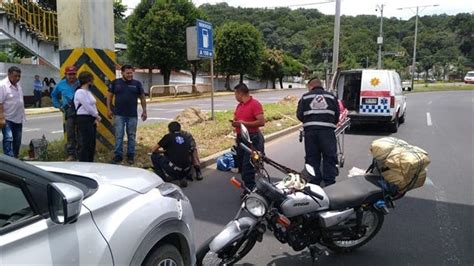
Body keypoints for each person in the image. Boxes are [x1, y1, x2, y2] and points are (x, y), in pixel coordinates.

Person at [296, 77, 340, 187]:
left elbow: (300, 115)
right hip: (327, 132)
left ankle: (314, 182)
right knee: (329, 156)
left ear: (310, 86)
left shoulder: (305, 97)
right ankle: (330, 183)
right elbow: (337, 115)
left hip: (311, 133)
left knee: (312, 157)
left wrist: (310, 121)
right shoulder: (331, 96)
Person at [107, 65, 147, 164]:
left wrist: (144, 110)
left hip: (132, 115)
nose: (130, 75)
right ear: (122, 73)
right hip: (119, 115)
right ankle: (118, 155)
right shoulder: (115, 83)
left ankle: (130, 155)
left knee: (131, 135)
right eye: (127, 73)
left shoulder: (137, 84)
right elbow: (109, 97)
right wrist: (108, 109)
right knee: (119, 135)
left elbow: (142, 98)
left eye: (131, 73)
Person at [231, 83, 265, 191]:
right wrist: (236, 124)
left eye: (235, 94)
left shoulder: (255, 104)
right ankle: (249, 187)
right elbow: (238, 120)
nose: (235, 97)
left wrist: (243, 124)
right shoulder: (240, 105)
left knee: (248, 167)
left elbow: (261, 121)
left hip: (252, 139)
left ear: (240, 93)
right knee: (241, 166)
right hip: (241, 138)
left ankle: (251, 191)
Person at [150, 121, 193, 188]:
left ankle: (163, 180)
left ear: (169, 130)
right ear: (180, 129)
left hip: (174, 169)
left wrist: (163, 151)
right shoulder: (186, 137)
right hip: (187, 169)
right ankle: (181, 177)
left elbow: (153, 150)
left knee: (154, 156)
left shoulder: (168, 137)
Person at [51, 66, 79, 161]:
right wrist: (58, 105)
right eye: (69, 74)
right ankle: (71, 154)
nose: (71, 76)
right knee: (70, 133)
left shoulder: (80, 83)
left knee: (81, 133)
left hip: (81, 111)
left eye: (73, 74)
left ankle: (81, 153)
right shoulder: (61, 84)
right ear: (65, 75)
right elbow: (53, 95)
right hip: (69, 111)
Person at [74, 71, 101, 162]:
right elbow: (87, 106)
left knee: (91, 142)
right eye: (91, 79)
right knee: (86, 142)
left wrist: (94, 117)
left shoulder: (88, 92)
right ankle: (84, 161)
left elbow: (93, 105)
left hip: (90, 118)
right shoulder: (80, 92)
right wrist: (96, 115)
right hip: (83, 118)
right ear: (88, 80)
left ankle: (90, 161)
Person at [0, 66, 25, 158]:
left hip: (18, 118)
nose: (17, 78)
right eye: (15, 76)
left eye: (19, 76)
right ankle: (9, 159)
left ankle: (15, 158)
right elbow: (0, 103)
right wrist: (1, 118)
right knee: (8, 138)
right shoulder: (2, 86)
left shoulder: (18, 85)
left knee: (17, 140)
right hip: (7, 119)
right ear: (9, 74)